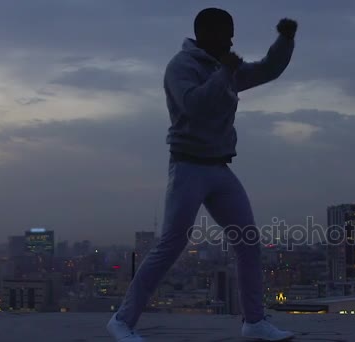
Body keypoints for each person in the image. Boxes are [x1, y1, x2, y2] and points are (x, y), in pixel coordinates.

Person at [106, 7, 297, 342]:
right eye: (227, 33)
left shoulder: (223, 68)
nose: (232, 39)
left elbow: (267, 69)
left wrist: (285, 40)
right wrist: (225, 71)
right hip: (188, 167)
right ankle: (122, 321)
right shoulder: (181, 67)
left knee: (248, 242)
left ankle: (254, 322)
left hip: (219, 168)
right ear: (207, 34)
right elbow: (194, 104)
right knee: (171, 243)